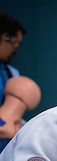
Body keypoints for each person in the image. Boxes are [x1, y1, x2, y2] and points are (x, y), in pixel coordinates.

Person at [0, 11, 27, 152]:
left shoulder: (12, 73)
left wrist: (24, 128)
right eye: (15, 45)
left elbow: (13, 117)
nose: (15, 51)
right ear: (5, 38)